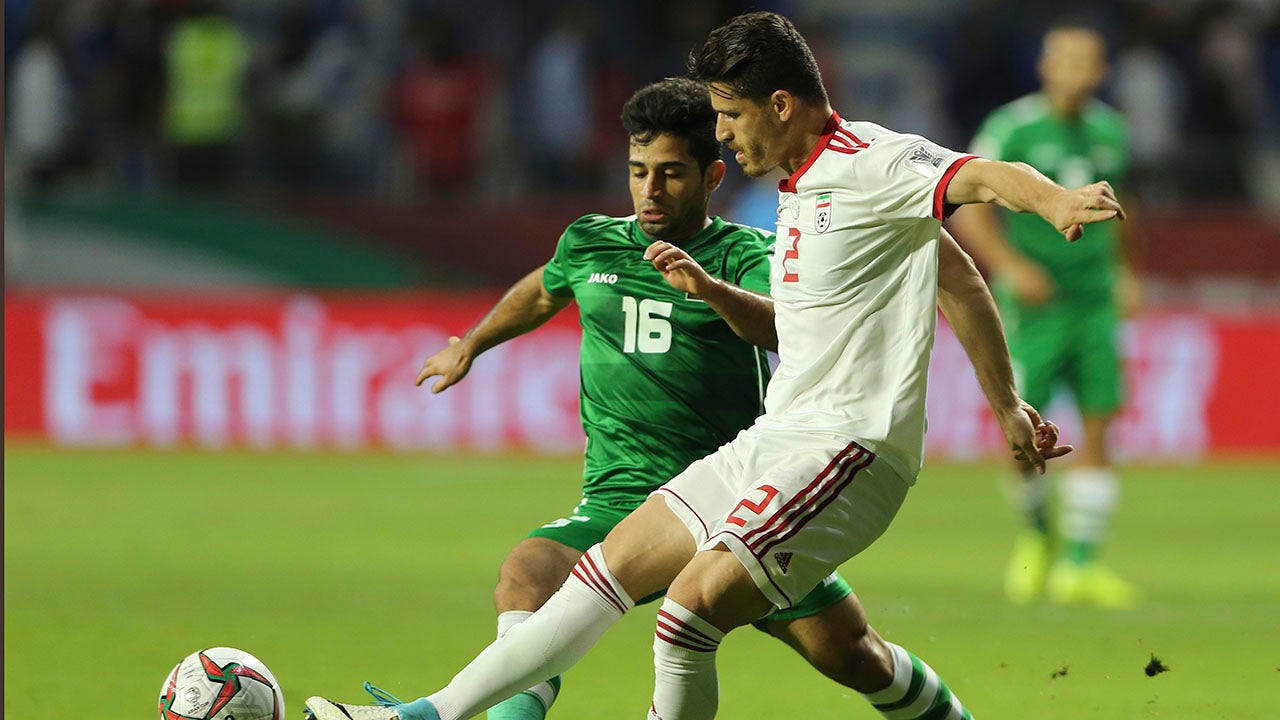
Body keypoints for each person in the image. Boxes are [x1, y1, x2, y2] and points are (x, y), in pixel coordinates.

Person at [306, 11, 1118, 720]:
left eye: (730, 115)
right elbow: (957, 275)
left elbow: (982, 177)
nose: (722, 132)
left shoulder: (869, 161)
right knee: (599, 576)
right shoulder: (798, 190)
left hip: (851, 447)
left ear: (780, 105)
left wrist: (1053, 200)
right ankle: (424, 715)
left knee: (687, 612)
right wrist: (1006, 403)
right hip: (776, 439)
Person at [407, 76, 885, 720]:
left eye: (671, 173)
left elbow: (785, 325)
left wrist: (709, 289)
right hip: (618, 501)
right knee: (527, 575)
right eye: (638, 172)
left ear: (713, 176)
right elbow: (544, 290)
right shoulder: (590, 241)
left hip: (734, 505)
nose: (650, 190)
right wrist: (472, 343)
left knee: (856, 658)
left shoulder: (746, 253)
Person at [949, 20, 1140, 609]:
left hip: (1094, 301)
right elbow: (970, 208)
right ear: (1046, 66)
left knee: (1100, 419)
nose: (1077, 72)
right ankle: (1037, 540)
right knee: (1023, 429)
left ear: (1101, 71)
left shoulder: (1111, 131)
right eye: (1066, 60)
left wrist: (1125, 270)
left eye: (1087, 62)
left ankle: (1080, 563)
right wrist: (1010, 267)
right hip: (1035, 307)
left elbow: (1123, 210)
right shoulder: (1013, 129)